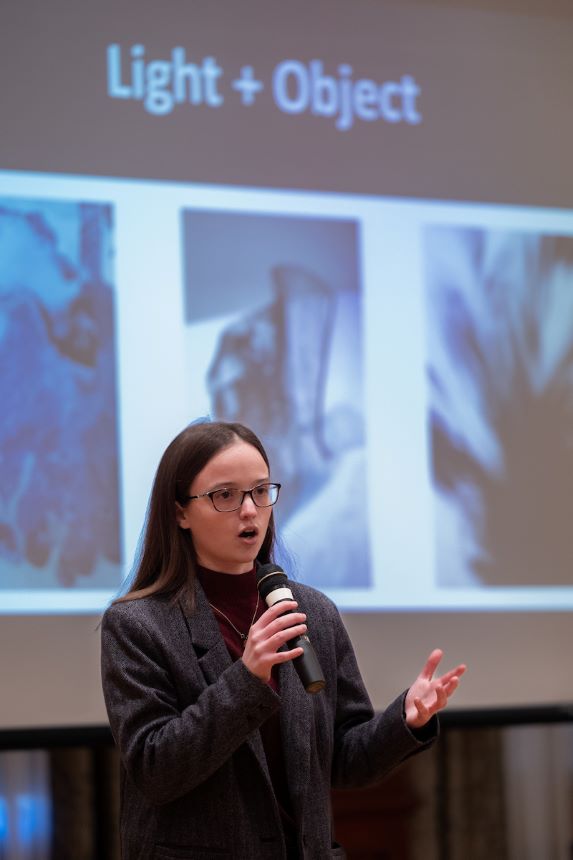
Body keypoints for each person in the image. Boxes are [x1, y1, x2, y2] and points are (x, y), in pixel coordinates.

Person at [100, 420, 466, 860]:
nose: (250, 510)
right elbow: (154, 768)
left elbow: (343, 759)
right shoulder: (138, 624)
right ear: (179, 512)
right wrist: (247, 678)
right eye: (225, 496)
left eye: (259, 491)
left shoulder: (314, 613)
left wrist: (405, 720)